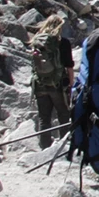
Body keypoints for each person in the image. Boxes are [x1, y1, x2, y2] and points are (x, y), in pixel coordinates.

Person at [29, 13, 73, 148]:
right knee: (63, 114)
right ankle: (64, 146)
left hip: (40, 83)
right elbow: (69, 65)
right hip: (57, 84)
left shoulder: (36, 41)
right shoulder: (63, 42)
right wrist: (70, 83)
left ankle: (44, 146)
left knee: (44, 117)